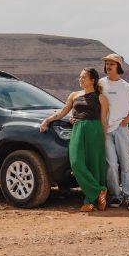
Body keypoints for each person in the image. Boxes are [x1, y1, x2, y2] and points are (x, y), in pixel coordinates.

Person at [39, 68, 109, 212]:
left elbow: (103, 121)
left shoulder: (101, 97)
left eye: (84, 77)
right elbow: (63, 111)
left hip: (94, 130)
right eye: (80, 77)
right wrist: (47, 120)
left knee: (94, 165)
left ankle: (90, 201)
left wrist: (104, 138)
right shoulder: (74, 95)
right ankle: (99, 190)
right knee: (76, 163)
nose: (80, 79)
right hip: (78, 128)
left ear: (92, 80)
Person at [99, 53, 129, 210]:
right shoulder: (100, 84)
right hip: (105, 130)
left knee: (126, 163)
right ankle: (116, 195)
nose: (108, 66)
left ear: (118, 67)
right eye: (107, 63)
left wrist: (125, 122)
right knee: (111, 164)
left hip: (121, 130)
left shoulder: (127, 87)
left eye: (112, 64)